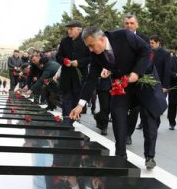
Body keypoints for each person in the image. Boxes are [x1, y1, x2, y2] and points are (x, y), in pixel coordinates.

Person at [69, 26, 167, 169]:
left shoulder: (125, 36)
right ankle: (120, 155)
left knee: (148, 116)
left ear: (101, 39)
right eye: (88, 47)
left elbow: (146, 51)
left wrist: (136, 73)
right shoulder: (96, 55)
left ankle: (149, 156)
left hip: (144, 79)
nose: (90, 50)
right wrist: (80, 104)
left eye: (91, 45)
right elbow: (90, 79)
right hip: (122, 84)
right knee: (117, 113)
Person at [56, 20, 91, 125]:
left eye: (71, 29)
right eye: (68, 29)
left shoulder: (86, 40)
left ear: (79, 30)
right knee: (66, 97)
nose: (69, 31)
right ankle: (67, 119)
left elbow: (90, 57)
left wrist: (79, 62)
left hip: (79, 76)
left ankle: (73, 117)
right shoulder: (64, 41)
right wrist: (64, 61)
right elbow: (58, 56)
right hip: (66, 75)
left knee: (76, 97)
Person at [124, 14, 149, 141]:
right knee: (120, 107)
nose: (129, 25)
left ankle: (128, 134)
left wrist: (137, 73)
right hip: (121, 77)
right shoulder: (119, 38)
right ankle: (121, 130)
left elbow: (146, 59)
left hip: (138, 78)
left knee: (134, 109)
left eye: (132, 23)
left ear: (137, 25)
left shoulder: (144, 39)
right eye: (127, 23)